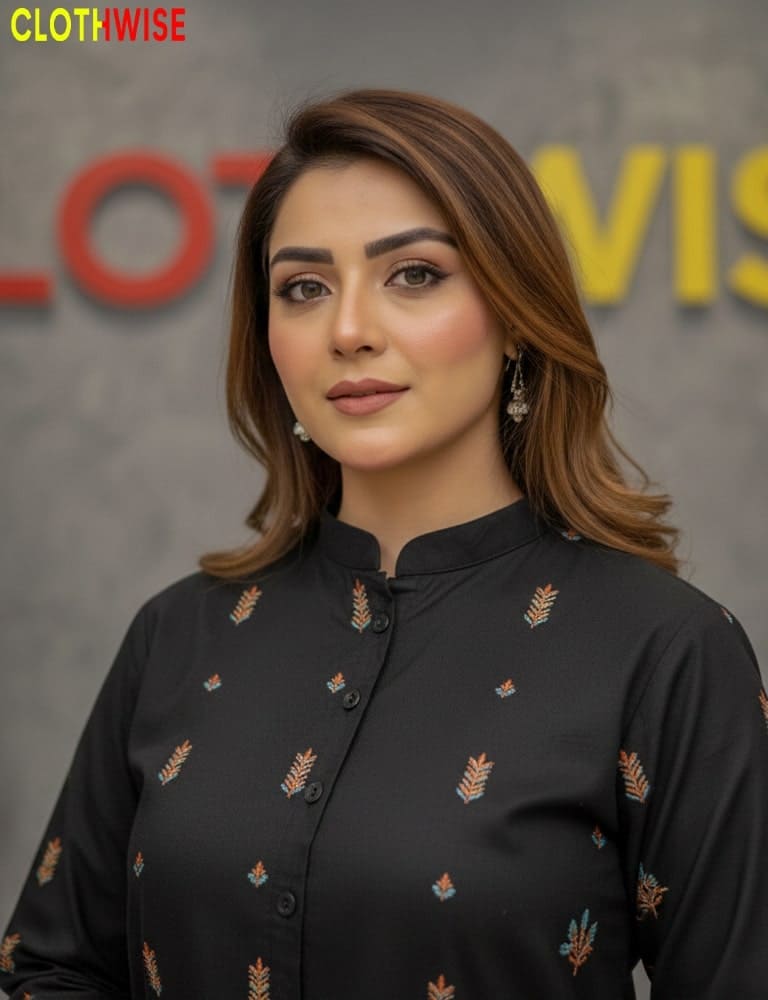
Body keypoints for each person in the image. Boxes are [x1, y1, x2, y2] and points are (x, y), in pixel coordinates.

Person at [2, 87, 766, 1000]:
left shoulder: (666, 651)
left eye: (414, 275)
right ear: (271, 340)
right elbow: (48, 970)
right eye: (304, 288)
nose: (350, 331)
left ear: (516, 312)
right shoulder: (178, 636)